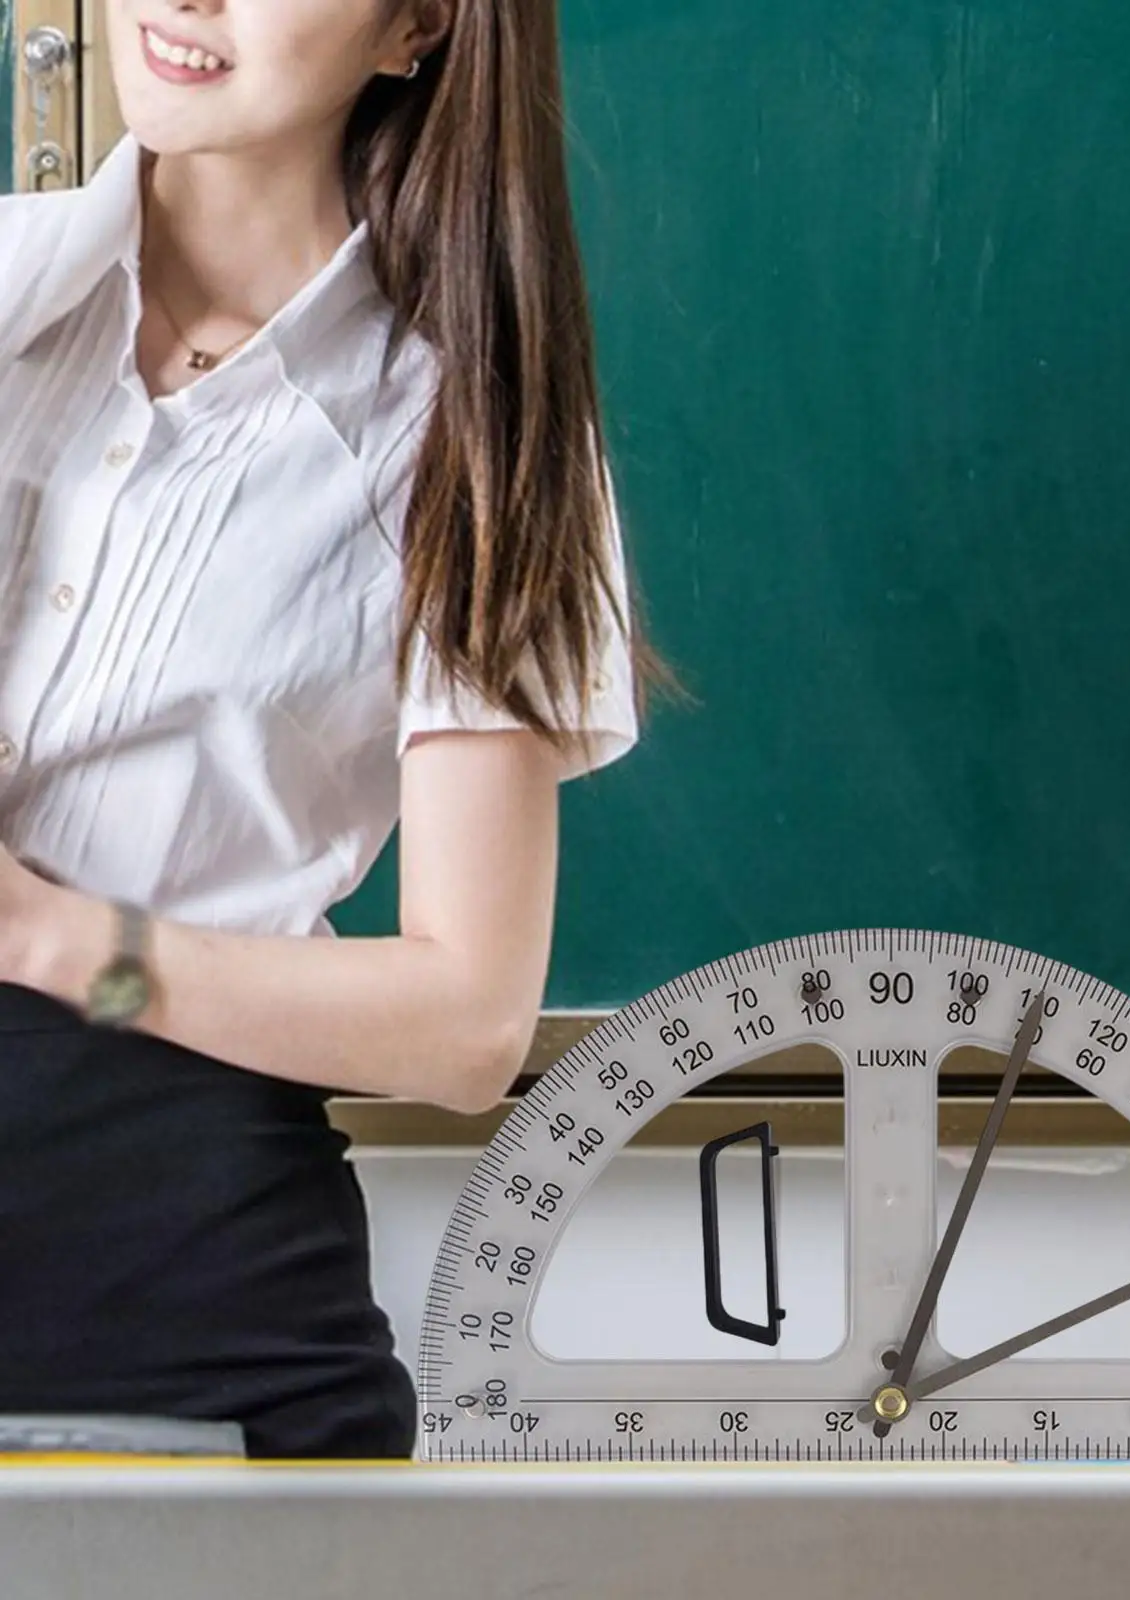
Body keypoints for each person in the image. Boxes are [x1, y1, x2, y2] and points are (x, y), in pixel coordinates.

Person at [0, 0, 672, 1459]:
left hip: (179, 1308)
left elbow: (467, 1024)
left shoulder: (469, 435)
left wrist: (50, 941)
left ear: (415, 25)